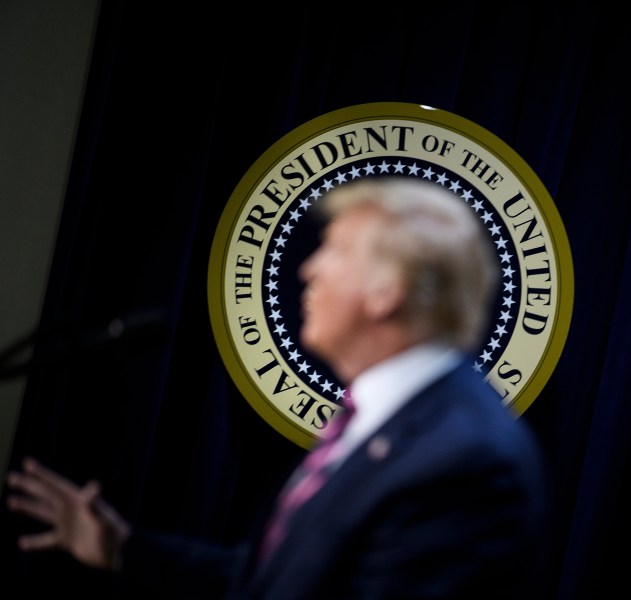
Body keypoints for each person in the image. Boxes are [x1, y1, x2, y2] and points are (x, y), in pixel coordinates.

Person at [6, 176, 550, 599]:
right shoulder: (374, 422)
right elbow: (274, 581)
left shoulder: (464, 458)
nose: (308, 270)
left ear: (388, 292)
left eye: (335, 250)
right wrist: (125, 550)